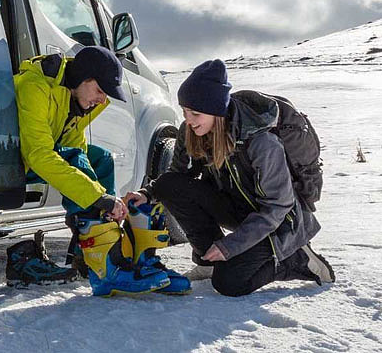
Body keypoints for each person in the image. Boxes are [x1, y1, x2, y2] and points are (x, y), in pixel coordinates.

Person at [128, 59, 335, 297]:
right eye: (185, 111)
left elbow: (277, 207)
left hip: (279, 223)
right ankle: (208, 261)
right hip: (239, 210)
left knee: (229, 283)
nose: (189, 119)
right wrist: (148, 194)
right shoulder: (193, 131)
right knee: (168, 185)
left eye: (195, 113)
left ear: (218, 111)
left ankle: (294, 260)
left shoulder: (262, 143)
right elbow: (177, 176)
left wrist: (230, 246)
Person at [6, 46, 187, 295]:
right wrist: (99, 198)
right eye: (100, 90)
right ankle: (107, 268)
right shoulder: (35, 86)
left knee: (100, 159)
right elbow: (38, 154)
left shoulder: (75, 100)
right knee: (78, 161)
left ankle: (94, 252)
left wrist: (106, 201)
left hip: (37, 155)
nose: (103, 100)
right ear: (83, 78)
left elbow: (75, 148)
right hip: (13, 159)